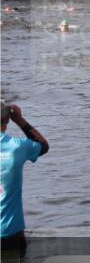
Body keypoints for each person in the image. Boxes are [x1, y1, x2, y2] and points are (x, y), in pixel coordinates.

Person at [1, 102, 49, 255]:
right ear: (7, 120)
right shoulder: (17, 147)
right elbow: (43, 145)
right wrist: (20, 120)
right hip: (9, 233)